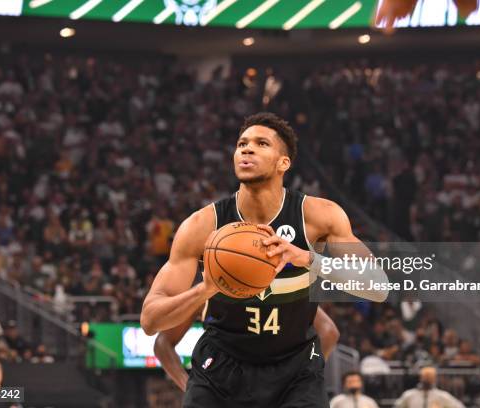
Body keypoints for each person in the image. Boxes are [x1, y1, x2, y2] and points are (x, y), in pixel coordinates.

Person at [141, 112, 388, 407]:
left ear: (284, 162)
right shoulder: (202, 226)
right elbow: (150, 321)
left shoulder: (319, 217)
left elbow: (378, 286)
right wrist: (203, 289)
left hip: (295, 368)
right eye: (241, 143)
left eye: (261, 144)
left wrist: (308, 258)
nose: (247, 148)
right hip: (221, 368)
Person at [154, 305, 340, 392]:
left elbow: (163, 343)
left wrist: (189, 385)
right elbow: (329, 332)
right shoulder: (287, 284)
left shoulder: (211, 285)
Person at [394, 366, 465, 408]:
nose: (427, 379)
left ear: (434, 379)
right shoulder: (410, 395)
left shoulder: (442, 396)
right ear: (421, 378)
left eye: (429, 377)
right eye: (425, 377)